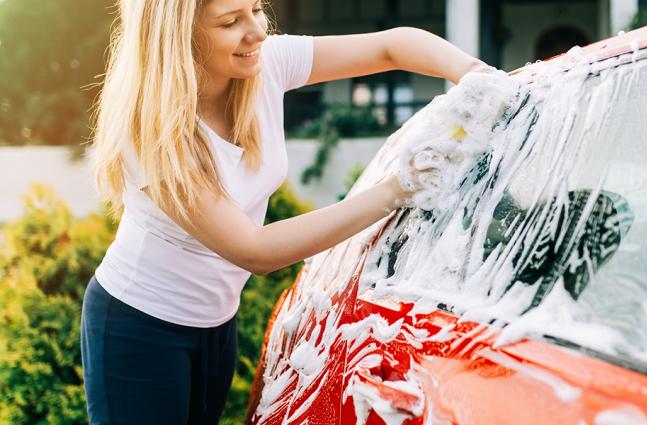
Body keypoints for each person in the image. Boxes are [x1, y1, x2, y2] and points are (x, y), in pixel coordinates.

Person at [81, 0, 493, 423]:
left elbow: (391, 46)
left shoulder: (264, 62)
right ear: (179, 37)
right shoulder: (150, 132)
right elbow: (254, 251)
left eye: (257, 9)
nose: (257, 31)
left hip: (217, 323)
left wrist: (473, 73)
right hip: (139, 329)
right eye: (230, 21)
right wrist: (397, 189)